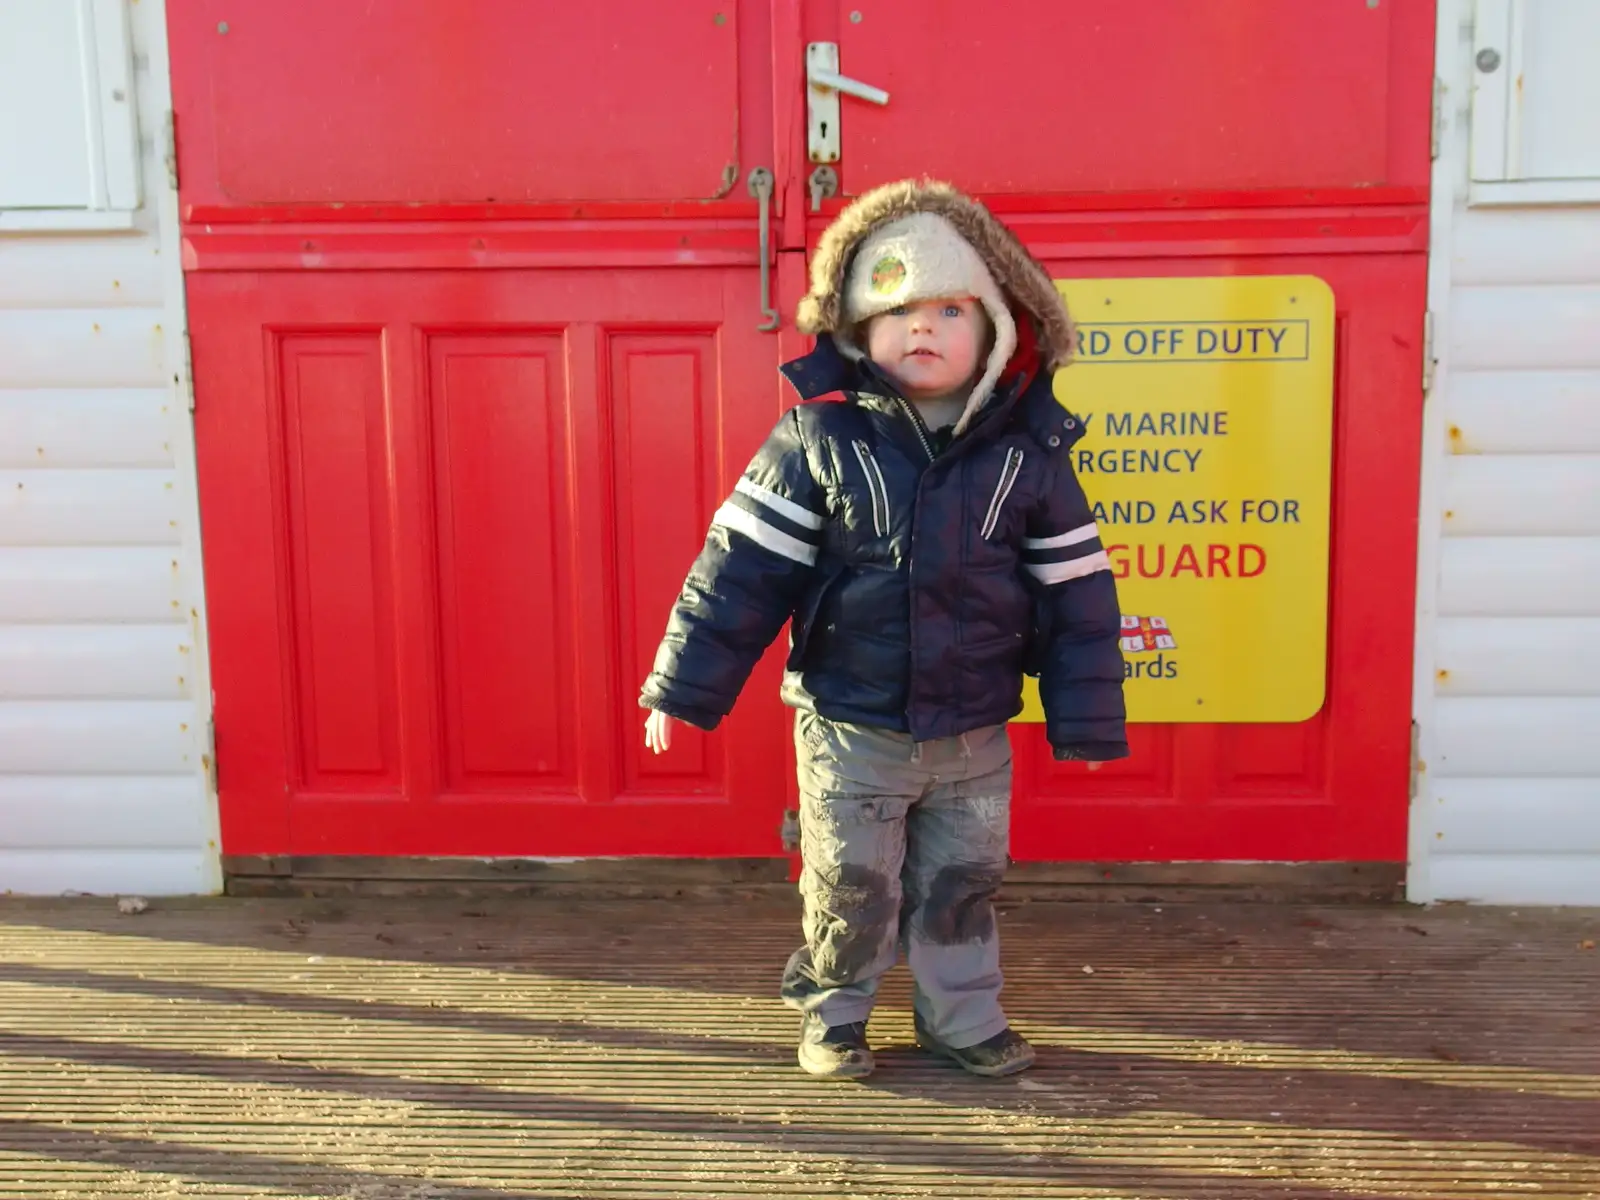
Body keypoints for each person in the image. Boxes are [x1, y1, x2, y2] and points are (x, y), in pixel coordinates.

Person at [640, 179, 1127, 1080]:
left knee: (961, 887)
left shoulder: (1032, 455)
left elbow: (1076, 596)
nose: (923, 327)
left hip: (975, 734)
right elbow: (739, 573)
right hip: (850, 727)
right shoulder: (813, 444)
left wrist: (1089, 717)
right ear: (857, 331)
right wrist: (683, 685)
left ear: (1000, 327)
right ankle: (834, 1015)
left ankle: (962, 1019)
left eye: (950, 307)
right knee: (851, 885)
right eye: (895, 309)